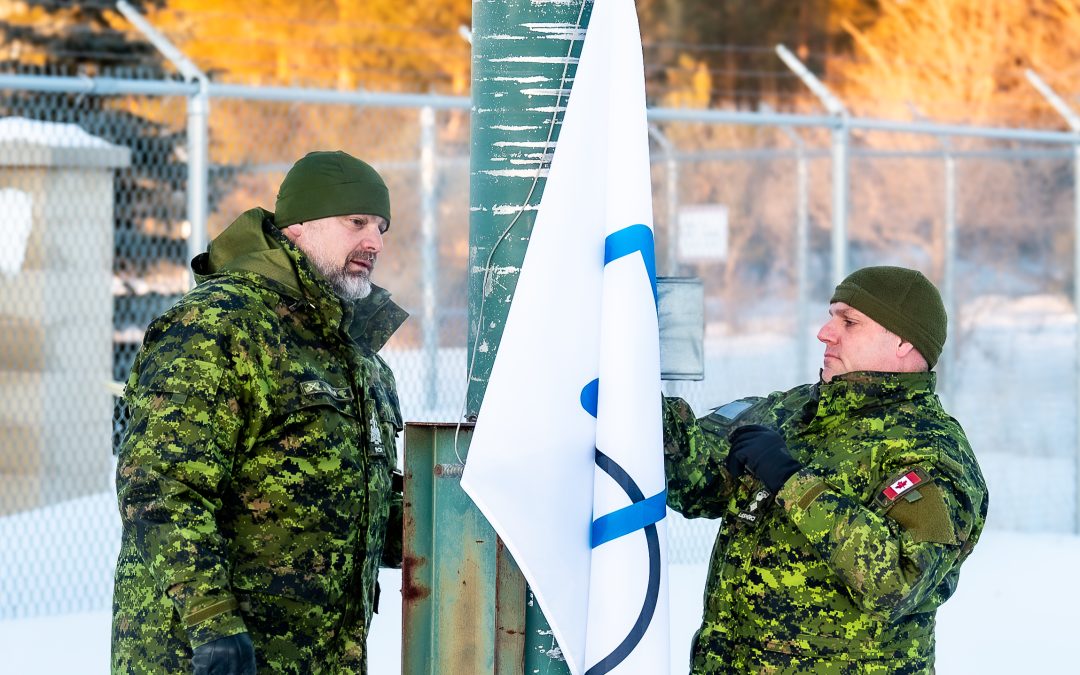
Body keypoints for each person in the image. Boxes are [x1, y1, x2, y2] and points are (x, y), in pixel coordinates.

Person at [112, 150, 408, 675]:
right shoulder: (219, 326)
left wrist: (456, 516)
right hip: (209, 656)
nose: (375, 243)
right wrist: (211, 620)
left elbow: (362, 506)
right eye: (356, 222)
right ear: (299, 227)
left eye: (381, 227)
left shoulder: (357, 357)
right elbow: (160, 484)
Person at [664, 266, 988, 674]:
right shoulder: (790, 411)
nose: (825, 332)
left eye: (849, 322)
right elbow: (696, 480)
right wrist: (635, 395)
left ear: (905, 341)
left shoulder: (931, 450)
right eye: (831, 315)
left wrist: (792, 482)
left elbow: (899, 580)